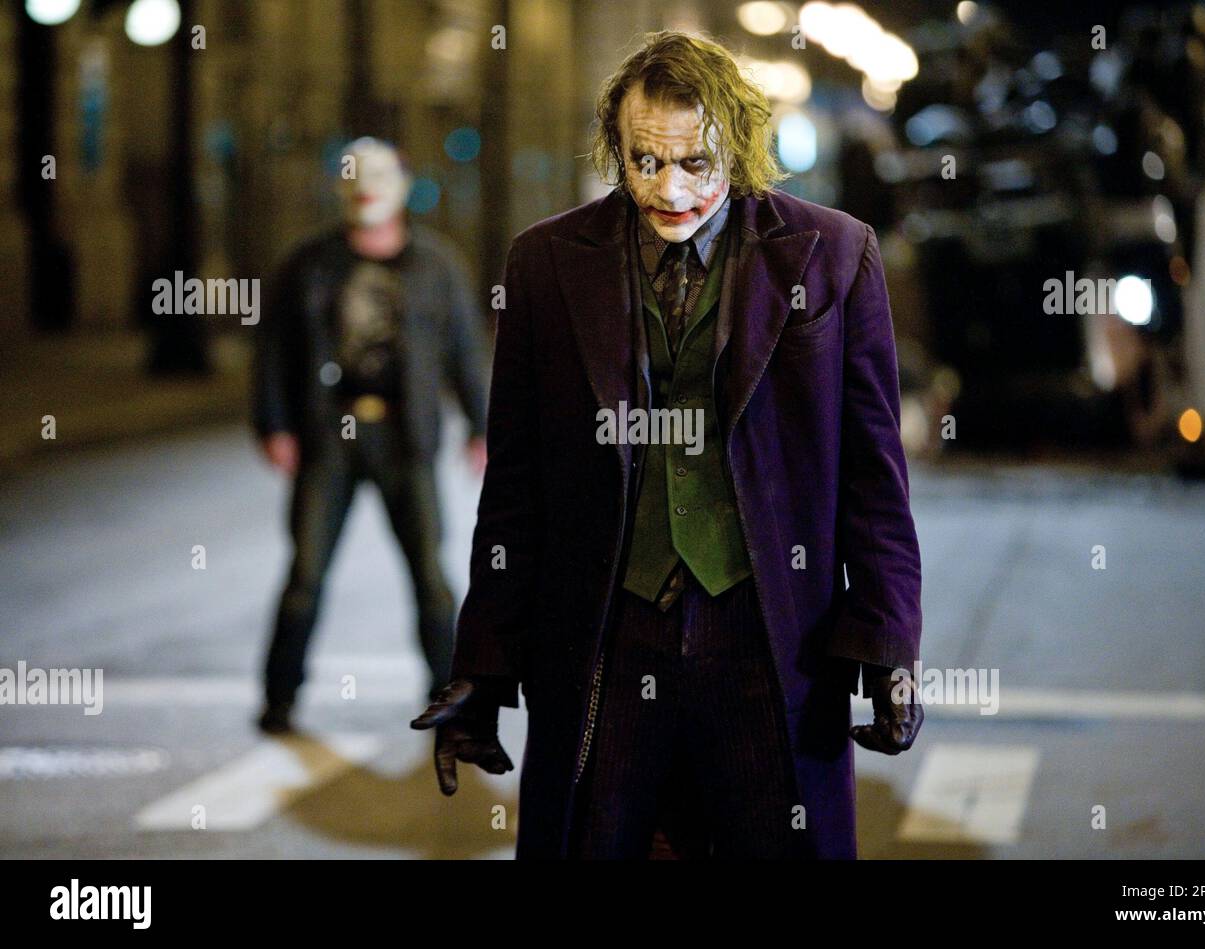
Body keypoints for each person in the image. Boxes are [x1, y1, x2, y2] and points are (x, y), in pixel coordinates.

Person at [413, 32, 923, 859]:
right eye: (645, 161)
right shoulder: (545, 263)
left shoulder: (834, 255)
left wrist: (888, 643)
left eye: (696, 163)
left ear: (740, 145)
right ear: (615, 148)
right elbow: (514, 489)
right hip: (607, 641)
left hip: (769, 642)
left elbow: (873, 479)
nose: (670, 188)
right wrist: (485, 663)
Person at [253, 137, 490, 734]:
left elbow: (465, 352)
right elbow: (275, 349)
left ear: (402, 187)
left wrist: (481, 426)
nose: (367, 192)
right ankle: (279, 698)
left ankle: (449, 699)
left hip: (405, 436)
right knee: (306, 574)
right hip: (328, 434)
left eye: (380, 179)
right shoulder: (309, 263)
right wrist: (274, 424)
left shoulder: (435, 266)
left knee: (430, 576)